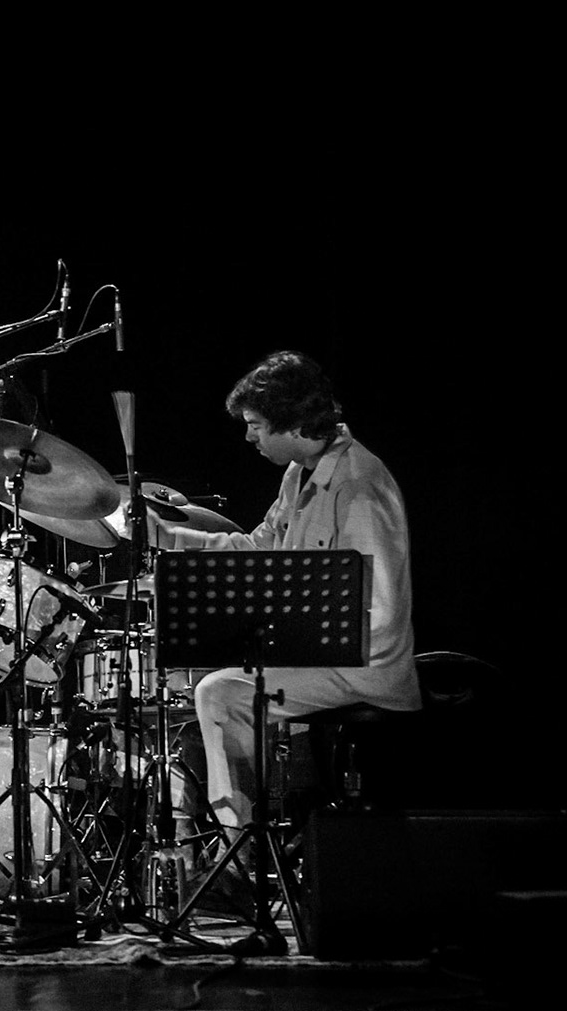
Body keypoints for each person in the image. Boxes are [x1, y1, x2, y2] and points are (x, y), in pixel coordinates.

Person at [147, 351, 418, 844]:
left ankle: (244, 851)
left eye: (254, 424)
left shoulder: (358, 484)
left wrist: (291, 640)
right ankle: (256, 836)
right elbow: (257, 547)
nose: (248, 436)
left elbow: (375, 607)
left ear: (291, 423)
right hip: (325, 657)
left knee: (221, 692)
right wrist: (167, 537)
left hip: (362, 666)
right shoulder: (299, 473)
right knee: (213, 683)